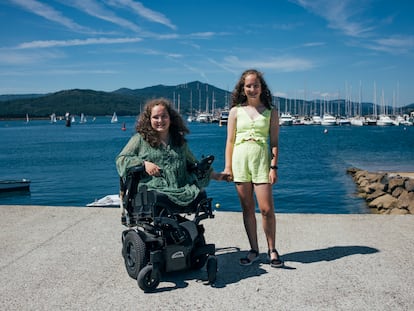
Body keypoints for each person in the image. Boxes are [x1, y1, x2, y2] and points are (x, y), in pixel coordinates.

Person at [116, 97, 226, 208]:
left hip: (181, 186)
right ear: (149, 120)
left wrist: (217, 176)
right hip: (154, 187)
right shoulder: (140, 139)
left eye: (164, 116)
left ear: (170, 118)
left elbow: (194, 163)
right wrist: (144, 164)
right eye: (155, 117)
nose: (160, 121)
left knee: (199, 193)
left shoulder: (179, 141)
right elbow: (122, 159)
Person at [223, 69, 284, 268]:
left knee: (267, 209)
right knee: (247, 209)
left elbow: (274, 142)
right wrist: (228, 167)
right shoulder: (235, 111)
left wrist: (273, 167)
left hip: (261, 162)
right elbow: (230, 142)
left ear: (261, 87)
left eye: (255, 85)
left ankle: (272, 249)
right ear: (242, 88)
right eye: (248, 86)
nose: (252, 89)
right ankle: (254, 250)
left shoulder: (271, 112)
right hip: (240, 161)